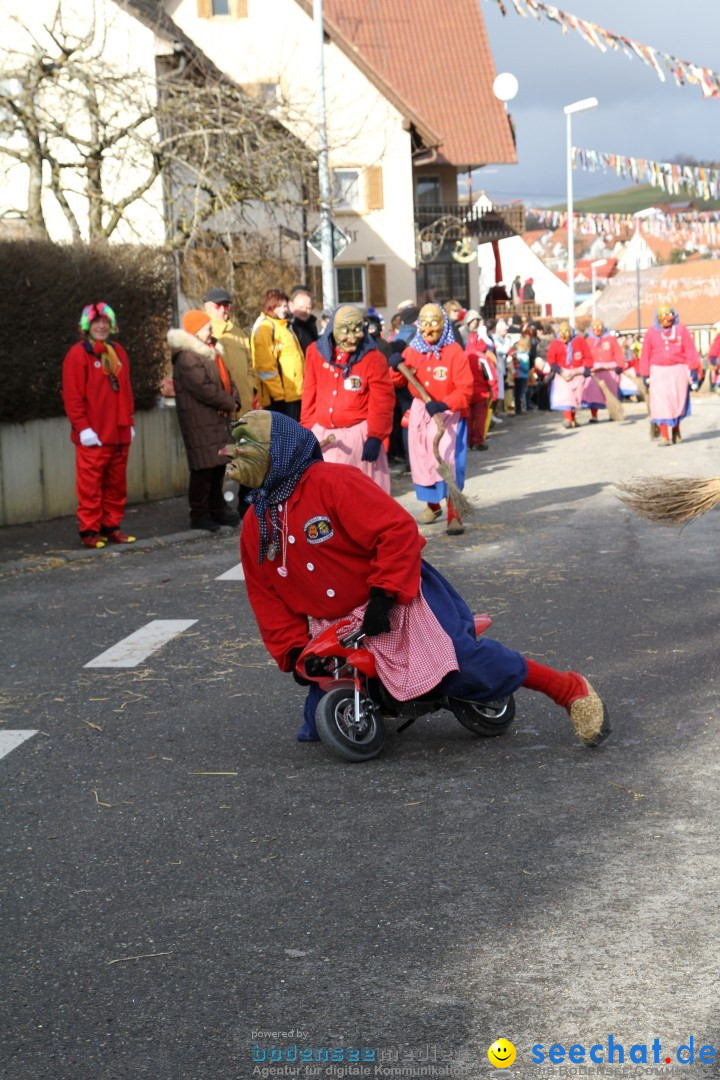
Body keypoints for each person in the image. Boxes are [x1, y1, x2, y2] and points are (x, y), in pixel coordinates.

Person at [230, 410, 610, 747]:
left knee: (462, 664)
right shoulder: (255, 524)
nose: (237, 453)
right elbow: (266, 597)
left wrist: (384, 595)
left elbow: (394, 532)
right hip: (333, 624)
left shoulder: (333, 482)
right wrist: (293, 652)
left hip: (394, 599)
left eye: (249, 445)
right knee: (318, 719)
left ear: (280, 449)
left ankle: (567, 688)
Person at [392, 304, 473, 535]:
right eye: (424, 323)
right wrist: (395, 367)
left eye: (434, 322)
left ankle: (454, 513)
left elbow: (466, 389)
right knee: (422, 461)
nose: (428, 328)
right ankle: (432, 506)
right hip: (421, 413)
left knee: (447, 461)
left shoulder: (454, 352)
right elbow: (397, 381)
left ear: (444, 324)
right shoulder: (413, 350)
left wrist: (445, 403)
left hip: (448, 414)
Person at [62, 302, 136, 549]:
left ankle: (111, 527)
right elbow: (72, 396)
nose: (102, 326)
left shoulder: (118, 351)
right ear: (87, 326)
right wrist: (82, 428)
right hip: (94, 435)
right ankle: (90, 531)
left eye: (105, 322)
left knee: (116, 486)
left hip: (119, 433)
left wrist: (130, 421)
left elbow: (125, 391)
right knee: (90, 487)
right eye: (96, 322)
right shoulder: (77, 354)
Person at [300, 305, 395, 492]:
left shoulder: (373, 359)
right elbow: (309, 394)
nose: (352, 339)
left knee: (360, 494)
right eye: (345, 332)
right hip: (324, 437)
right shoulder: (315, 353)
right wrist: (306, 432)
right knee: (326, 495)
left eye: (357, 330)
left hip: (358, 440)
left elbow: (382, 401)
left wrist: (376, 436)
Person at [168, 310, 241, 531]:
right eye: (207, 327)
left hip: (215, 418)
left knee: (218, 466)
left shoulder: (211, 351)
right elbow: (204, 389)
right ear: (196, 330)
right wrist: (229, 402)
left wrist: (234, 397)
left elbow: (227, 379)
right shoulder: (188, 356)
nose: (211, 330)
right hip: (200, 419)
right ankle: (199, 513)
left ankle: (217, 509)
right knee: (203, 469)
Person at [638, 303, 700, 446]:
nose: (667, 318)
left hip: (678, 370)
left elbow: (690, 350)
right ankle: (664, 436)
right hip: (658, 372)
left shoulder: (681, 330)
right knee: (661, 404)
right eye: (664, 315)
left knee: (676, 402)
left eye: (670, 314)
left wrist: (694, 369)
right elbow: (646, 354)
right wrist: (645, 373)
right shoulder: (651, 333)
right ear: (658, 318)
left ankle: (676, 430)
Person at [251, 290, 305, 420]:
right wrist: (278, 395)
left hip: (293, 393)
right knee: (285, 437)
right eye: (279, 306)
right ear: (270, 306)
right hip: (280, 398)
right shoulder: (266, 327)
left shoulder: (284, 326)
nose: (283, 309)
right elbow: (265, 366)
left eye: (285, 306)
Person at [203, 287, 254, 416]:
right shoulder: (204, 332)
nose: (223, 309)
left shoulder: (239, 332)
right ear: (207, 308)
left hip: (244, 405)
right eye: (218, 306)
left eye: (226, 306)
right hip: (221, 407)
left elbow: (251, 363)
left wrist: (252, 388)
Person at [547, 322, 593, 429]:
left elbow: (587, 355)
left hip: (577, 372)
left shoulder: (579, 341)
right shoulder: (555, 343)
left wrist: (587, 367)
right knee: (566, 396)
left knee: (576, 397)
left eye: (566, 332)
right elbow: (551, 357)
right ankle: (567, 418)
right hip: (563, 373)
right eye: (562, 332)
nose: (564, 335)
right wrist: (556, 367)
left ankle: (572, 418)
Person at [584, 320, 625, 422]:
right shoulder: (588, 341)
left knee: (611, 392)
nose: (597, 329)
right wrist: (587, 367)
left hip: (610, 370)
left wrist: (620, 365)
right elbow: (585, 355)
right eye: (595, 327)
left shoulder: (611, 339)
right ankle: (594, 415)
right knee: (593, 393)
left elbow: (618, 353)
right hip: (595, 371)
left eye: (599, 326)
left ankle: (613, 414)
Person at [465, 334, 497, 451]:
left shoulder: (463, 356)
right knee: (479, 419)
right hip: (481, 393)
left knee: (467, 419)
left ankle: (467, 442)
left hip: (466, 393)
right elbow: (491, 378)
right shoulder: (482, 358)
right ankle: (478, 442)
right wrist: (494, 394)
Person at [288, 287, 319, 356]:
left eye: (308, 308)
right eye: (300, 307)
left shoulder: (312, 325)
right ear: (291, 306)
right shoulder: (287, 327)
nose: (304, 311)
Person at [510, 334, 532, 415]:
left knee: (520, 393)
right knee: (518, 393)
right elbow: (525, 367)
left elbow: (526, 368)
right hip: (518, 376)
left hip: (521, 376)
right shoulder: (519, 354)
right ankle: (519, 409)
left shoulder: (523, 354)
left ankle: (521, 409)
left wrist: (518, 363)